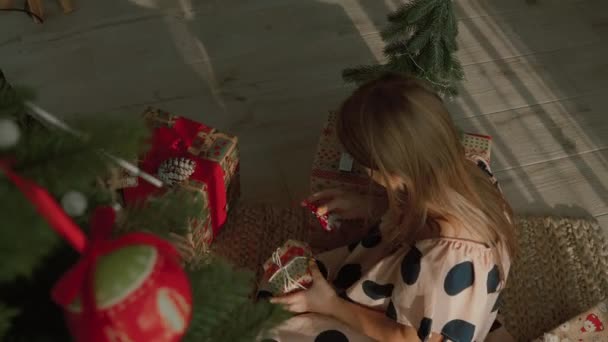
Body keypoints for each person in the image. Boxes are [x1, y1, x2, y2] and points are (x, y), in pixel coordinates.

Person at [265, 73, 516, 342]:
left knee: (273, 328)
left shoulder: (447, 255)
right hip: (430, 296)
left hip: (413, 331)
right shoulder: (471, 167)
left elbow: (405, 338)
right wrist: (370, 205)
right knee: (284, 287)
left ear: (393, 174)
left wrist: (331, 305)